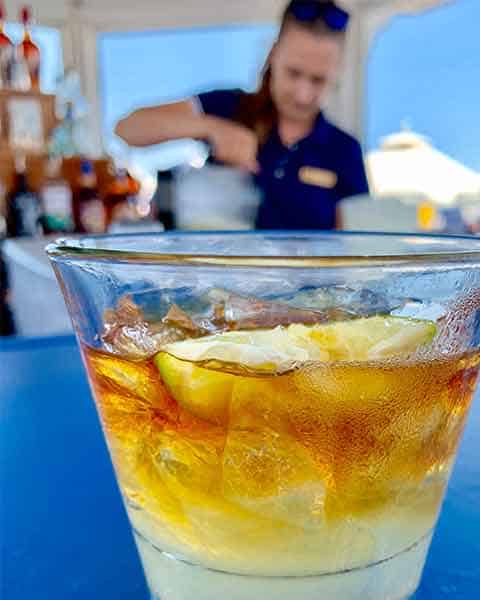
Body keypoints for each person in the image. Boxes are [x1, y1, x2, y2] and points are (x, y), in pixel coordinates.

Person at [115, 0, 369, 230]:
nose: (303, 94)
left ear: (337, 73)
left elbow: (356, 244)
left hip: (312, 282)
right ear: (273, 54)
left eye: (318, 80)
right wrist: (212, 128)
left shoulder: (344, 150)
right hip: (222, 278)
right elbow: (128, 128)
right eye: (293, 73)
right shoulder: (229, 107)